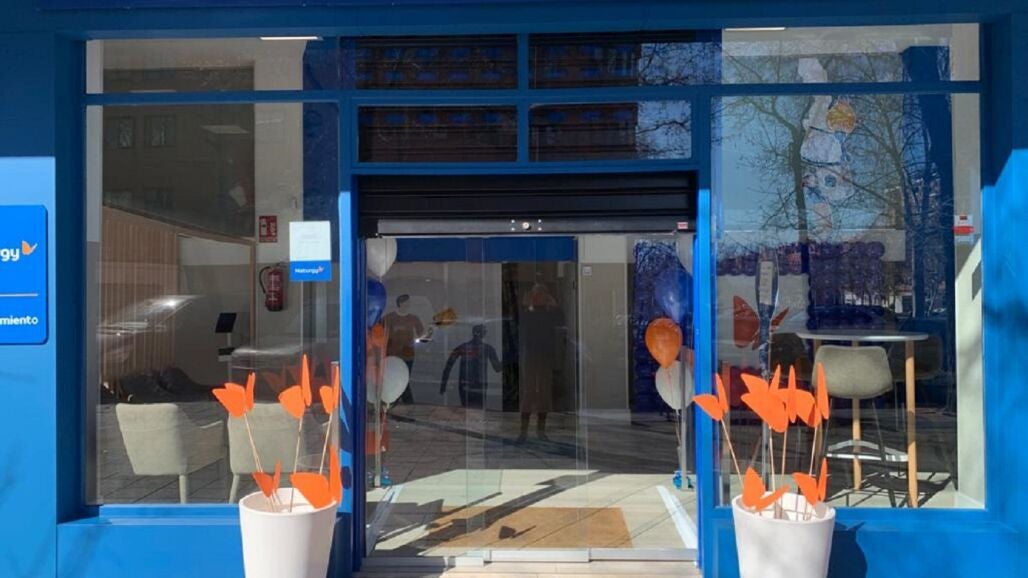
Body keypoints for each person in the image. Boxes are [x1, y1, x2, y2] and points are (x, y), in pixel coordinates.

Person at [517, 283, 564, 442]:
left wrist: (554, 305)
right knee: (529, 392)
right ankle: (523, 431)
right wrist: (526, 304)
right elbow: (520, 322)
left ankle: (541, 430)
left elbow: (561, 322)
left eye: (542, 295)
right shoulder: (527, 312)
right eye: (536, 295)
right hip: (530, 355)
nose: (539, 298)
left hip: (545, 356)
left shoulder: (551, 313)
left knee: (544, 393)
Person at [439, 325, 501, 409]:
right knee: (477, 411)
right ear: (481, 334)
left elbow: (448, 366)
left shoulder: (463, 347)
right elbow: (497, 368)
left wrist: (443, 386)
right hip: (478, 385)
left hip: (467, 385)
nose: (485, 334)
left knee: (468, 410)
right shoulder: (488, 348)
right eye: (484, 332)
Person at [382, 294, 426, 403]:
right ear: (400, 304)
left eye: (409, 303)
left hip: (407, 355)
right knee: (394, 379)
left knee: (405, 379)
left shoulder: (413, 318)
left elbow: (422, 335)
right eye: (406, 302)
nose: (408, 305)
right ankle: (403, 403)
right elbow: (380, 335)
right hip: (392, 355)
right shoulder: (388, 318)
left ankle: (398, 403)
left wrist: (428, 334)